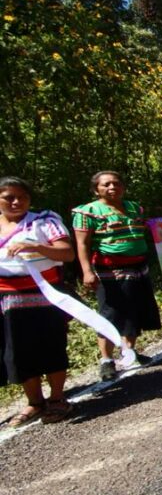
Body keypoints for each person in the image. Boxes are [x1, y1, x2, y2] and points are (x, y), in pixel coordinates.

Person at [72, 171, 162, 382]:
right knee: (110, 315)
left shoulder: (133, 207)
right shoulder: (88, 212)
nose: (112, 187)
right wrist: (87, 271)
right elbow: (82, 244)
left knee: (134, 311)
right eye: (106, 185)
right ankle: (106, 360)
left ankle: (129, 352)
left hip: (138, 267)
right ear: (96, 190)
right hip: (109, 271)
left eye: (116, 183)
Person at [0, 177, 76, 426]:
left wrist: (38, 247)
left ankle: (57, 398)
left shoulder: (44, 221)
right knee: (18, 352)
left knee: (51, 346)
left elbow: (67, 253)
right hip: (8, 298)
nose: (16, 201)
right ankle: (35, 401)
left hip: (45, 293)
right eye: (9, 197)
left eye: (22, 196)